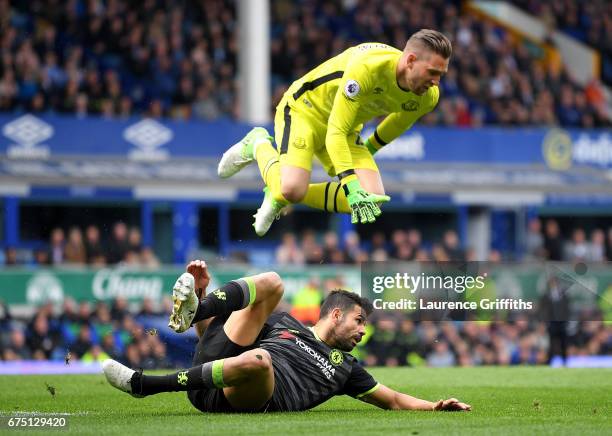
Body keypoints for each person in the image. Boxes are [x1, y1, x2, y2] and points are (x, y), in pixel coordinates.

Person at [102, 260, 470, 413]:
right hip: (218, 371)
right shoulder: (285, 323)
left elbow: (392, 399)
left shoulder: (347, 368)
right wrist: (204, 315)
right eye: (359, 321)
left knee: (260, 361)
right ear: (336, 315)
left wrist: (434, 405)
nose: (362, 331)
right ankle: (198, 306)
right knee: (272, 282)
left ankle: (146, 384)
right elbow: (212, 345)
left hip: (245, 396)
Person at [218, 29, 451, 236]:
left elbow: (399, 122)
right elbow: (335, 132)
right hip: (304, 111)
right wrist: (350, 185)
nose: (436, 81)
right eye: (432, 72)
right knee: (292, 188)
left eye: (441, 74)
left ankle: (277, 193)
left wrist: (369, 148)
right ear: (410, 60)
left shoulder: (428, 96)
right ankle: (258, 143)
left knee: (372, 198)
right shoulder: (368, 68)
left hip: (346, 127)